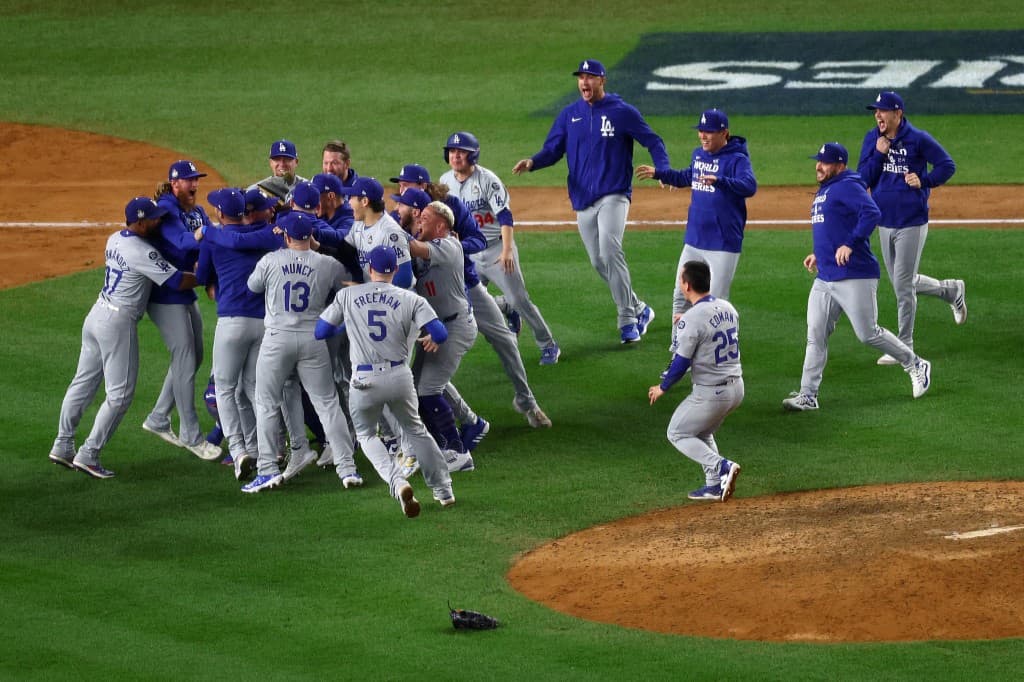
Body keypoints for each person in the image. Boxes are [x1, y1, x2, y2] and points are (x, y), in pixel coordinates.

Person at [514, 58, 669, 344]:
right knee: (599, 262)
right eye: (581, 78)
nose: (584, 82)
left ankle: (627, 320)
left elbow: (654, 141)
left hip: (615, 193)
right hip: (582, 199)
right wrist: (533, 162)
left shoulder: (622, 112)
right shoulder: (569, 114)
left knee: (610, 251)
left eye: (590, 77)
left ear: (602, 81)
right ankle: (639, 307)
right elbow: (553, 149)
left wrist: (663, 169)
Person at [391, 165, 551, 430]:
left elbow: (477, 240)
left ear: (423, 188)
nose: (401, 191)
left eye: (407, 186)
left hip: (464, 285)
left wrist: (451, 247)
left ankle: (527, 402)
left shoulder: (448, 206)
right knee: (427, 366)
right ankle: (503, 304)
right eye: (400, 186)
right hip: (428, 297)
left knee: (504, 340)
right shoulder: (400, 215)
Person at [49, 197, 198, 478]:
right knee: (120, 395)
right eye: (153, 218)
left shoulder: (114, 238)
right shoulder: (141, 251)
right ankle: (89, 454)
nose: (159, 221)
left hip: (96, 315)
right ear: (140, 223)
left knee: (82, 383)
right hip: (118, 323)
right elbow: (178, 281)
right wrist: (207, 275)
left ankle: (63, 444)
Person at [783, 143, 932, 411]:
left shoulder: (847, 185)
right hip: (826, 276)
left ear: (839, 165)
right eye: (818, 161)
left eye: (824, 162)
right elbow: (833, 226)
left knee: (867, 333)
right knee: (816, 334)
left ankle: (915, 363)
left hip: (855, 274)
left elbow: (872, 212)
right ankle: (808, 394)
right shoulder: (828, 189)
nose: (818, 165)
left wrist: (849, 244)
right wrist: (820, 253)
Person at [316, 245, 456, 515]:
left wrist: (351, 323)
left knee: (368, 435)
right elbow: (439, 333)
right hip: (399, 376)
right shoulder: (411, 298)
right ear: (395, 270)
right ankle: (443, 491)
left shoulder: (348, 295)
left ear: (370, 270)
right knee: (416, 431)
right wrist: (429, 340)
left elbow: (321, 331)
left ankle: (397, 481)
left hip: (364, 380)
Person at [240, 212, 361, 493]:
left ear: (285, 236)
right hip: (313, 338)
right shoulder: (327, 264)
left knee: (267, 403)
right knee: (328, 404)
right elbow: (344, 283)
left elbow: (252, 287)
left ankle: (268, 469)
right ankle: (347, 468)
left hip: (277, 340)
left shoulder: (271, 261)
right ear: (312, 236)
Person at [856, 91, 965, 365]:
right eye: (875, 111)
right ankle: (951, 291)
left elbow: (947, 165)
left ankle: (905, 346)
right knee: (901, 282)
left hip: (912, 221)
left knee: (903, 286)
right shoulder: (873, 139)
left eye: (882, 111)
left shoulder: (917, 138)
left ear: (898, 113)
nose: (877, 115)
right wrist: (879, 155)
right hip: (883, 219)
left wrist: (925, 180)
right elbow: (862, 178)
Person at [440, 131, 561, 365]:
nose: (456, 156)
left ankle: (548, 344)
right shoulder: (445, 182)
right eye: (453, 151)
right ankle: (503, 305)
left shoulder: (487, 180)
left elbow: (505, 217)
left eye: (462, 152)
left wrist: (506, 251)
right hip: (469, 253)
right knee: (465, 304)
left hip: (497, 249)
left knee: (520, 299)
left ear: (473, 156)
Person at [635, 108, 757, 328]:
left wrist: (720, 181)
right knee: (681, 295)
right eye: (701, 131)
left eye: (708, 131)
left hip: (723, 242)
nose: (703, 135)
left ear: (724, 133)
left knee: (715, 304)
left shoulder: (737, 159)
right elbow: (685, 176)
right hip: (694, 238)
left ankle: (711, 353)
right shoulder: (698, 154)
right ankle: (679, 348)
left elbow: (749, 186)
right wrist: (660, 173)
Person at [142, 160, 221, 461]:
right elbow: (184, 242)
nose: (194, 185)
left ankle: (159, 417)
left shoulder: (197, 211)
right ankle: (191, 436)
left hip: (184, 291)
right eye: (189, 181)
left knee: (194, 355)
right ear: (174, 184)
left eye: (196, 180)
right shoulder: (167, 210)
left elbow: (208, 242)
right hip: (165, 294)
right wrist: (205, 236)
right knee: (186, 359)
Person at [648, 261, 743, 502]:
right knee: (700, 431)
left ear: (687, 285)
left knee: (677, 432)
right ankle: (713, 484)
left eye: (681, 279)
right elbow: (707, 326)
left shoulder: (692, 320)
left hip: (712, 394)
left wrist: (662, 387)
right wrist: (687, 320)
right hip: (737, 389)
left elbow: (681, 363)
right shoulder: (728, 308)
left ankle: (722, 466)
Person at [195, 187, 270, 480]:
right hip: (263, 324)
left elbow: (202, 277)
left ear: (220, 213)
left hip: (231, 323)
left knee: (226, 389)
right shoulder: (262, 239)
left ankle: (239, 451)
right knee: (252, 390)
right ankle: (262, 451)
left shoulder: (215, 240)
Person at [404, 198, 477, 473]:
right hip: (437, 327)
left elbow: (411, 246)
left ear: (441, 225)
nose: (419, 219)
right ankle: (442, 443)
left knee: (427, 389)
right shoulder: (429, 245)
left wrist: (385, 225)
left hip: (455, 327)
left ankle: (457, 451)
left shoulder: (449, 245)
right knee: (413, 387)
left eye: (425, 216)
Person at [248, 139, 308, 204]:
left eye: (287, 159)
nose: (282, 164)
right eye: (277, 159)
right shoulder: (257, 189)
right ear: (270, 162)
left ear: (296, 162)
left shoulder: (308, 188)